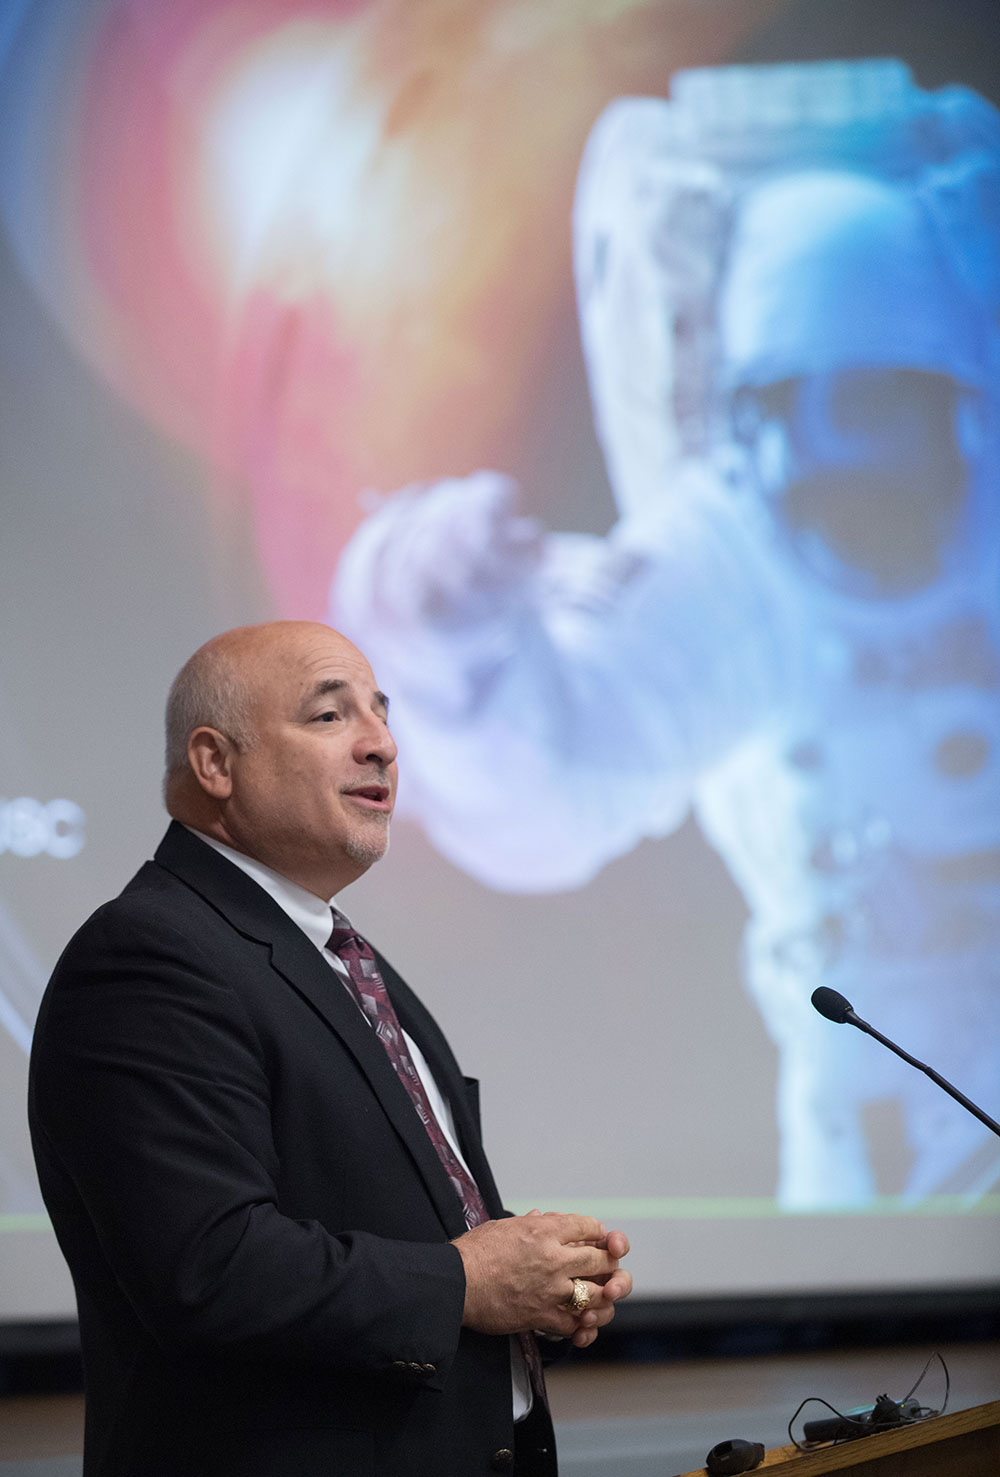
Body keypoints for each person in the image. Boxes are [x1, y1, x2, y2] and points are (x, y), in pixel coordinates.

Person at [28, 620, 632, 1477]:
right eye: (328, 716)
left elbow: (397, 1225)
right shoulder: (150, 957)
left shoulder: (339, 955)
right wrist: (468, 1282)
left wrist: (535, 1293)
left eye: (382, 713)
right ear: (215, 763)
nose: (382, 744)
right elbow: (210, 1268)